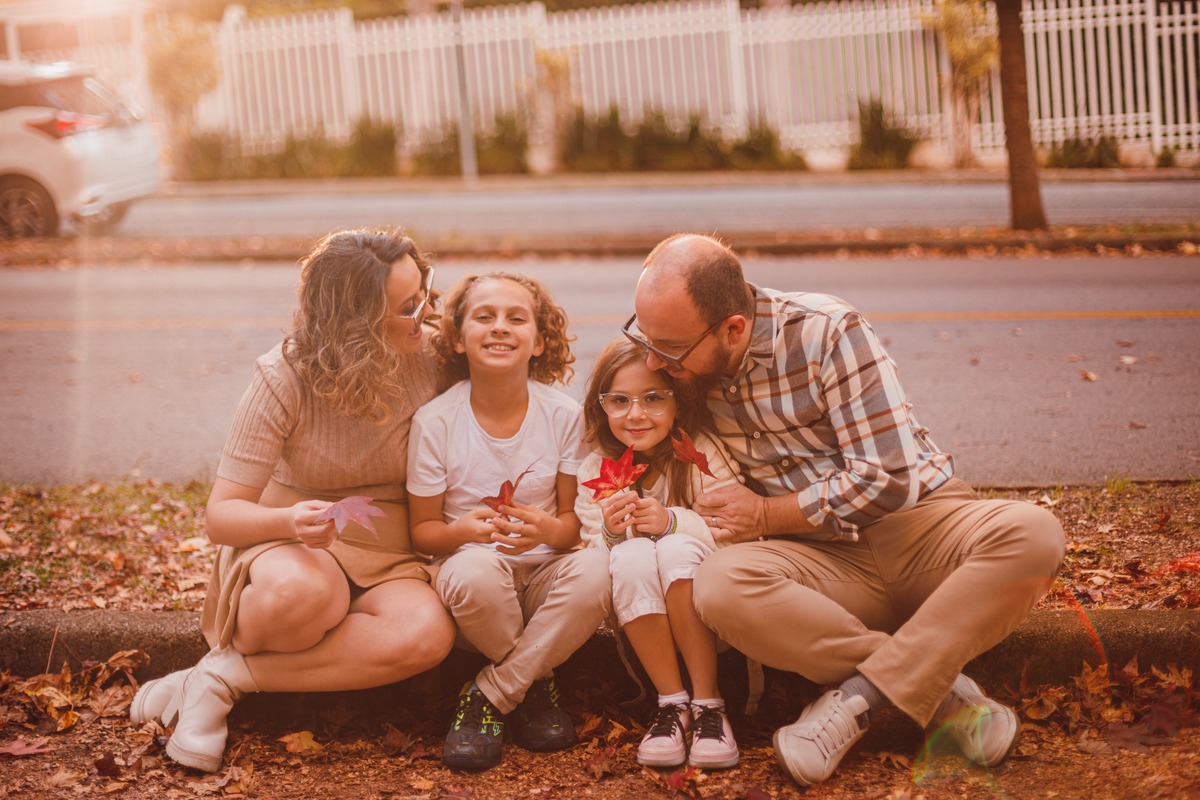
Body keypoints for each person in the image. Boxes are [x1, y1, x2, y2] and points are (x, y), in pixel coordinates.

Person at [624, 233, 1066, 787]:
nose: (652, 360)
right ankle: (945, 698)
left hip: (920, 527)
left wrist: (764, 517)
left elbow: (889, 477)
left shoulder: (825, 330)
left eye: (667, 348)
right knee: (719, 585)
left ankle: (856, 701)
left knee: (1035, 534)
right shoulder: (683, 367)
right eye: (644, 337)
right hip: (819, 565)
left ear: (733, 329)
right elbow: (624, 404)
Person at [127, 230, 457, 773]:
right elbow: (221, 515)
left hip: (391, 553)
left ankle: (220, 676)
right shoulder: (283, 376)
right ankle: (220, 674)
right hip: (289, 540)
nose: (426, 314)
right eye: (407, 307)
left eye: (424, 294)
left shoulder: (433, 359)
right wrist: (288, 521)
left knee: (426, 635)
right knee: (304, 595)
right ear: (357, 322)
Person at [407, 271, 610, 772]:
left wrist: (547, 532)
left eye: (516, 319)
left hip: (544, 574)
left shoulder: (563, 417)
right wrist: (461, 534)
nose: (500, 328)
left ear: (540, 341)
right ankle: (535, 685)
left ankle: (490, 694)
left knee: (600, 570)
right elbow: (423, 533)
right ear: (457, 337)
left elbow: (571, 525)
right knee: (476, 570)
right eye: (484, 317)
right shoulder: (435, 422)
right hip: (472, 582)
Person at [576, 337, 744, 770]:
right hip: (640, 618)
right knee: (629, 555)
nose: (636, 414)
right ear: (602, 406)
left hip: (709, 617)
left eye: (653, 398)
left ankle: (709, 704)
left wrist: (674, 521)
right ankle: (671, 704)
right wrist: (612, 533)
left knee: (676, 544)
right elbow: (590, 549)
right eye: (620, 400)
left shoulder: (701, 453)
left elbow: (736, 534)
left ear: (678, 403)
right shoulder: (597, 468)